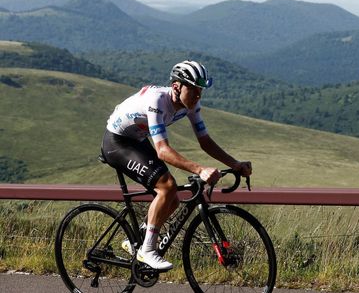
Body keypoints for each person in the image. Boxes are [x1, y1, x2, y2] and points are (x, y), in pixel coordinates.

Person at [101, 60, 251, 270]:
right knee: (167, 186)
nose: (198, 95)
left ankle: (138, 239)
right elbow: (162, 150)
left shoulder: (191, 105)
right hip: (117, 142)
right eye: (194, 90)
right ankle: (147, 251)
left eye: (201, 90)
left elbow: (205, 141)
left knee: (173, 200)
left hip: (137, 139)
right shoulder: (157, 101)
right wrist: (200, 169)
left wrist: (234, 163)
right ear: (176, 87)